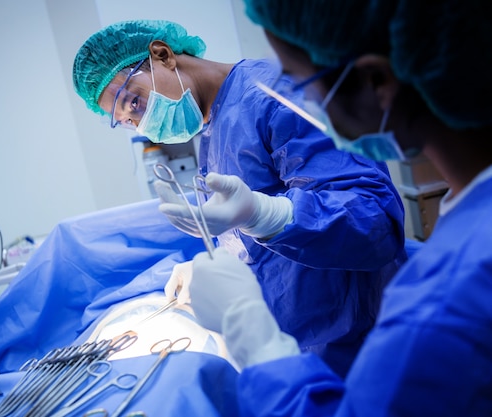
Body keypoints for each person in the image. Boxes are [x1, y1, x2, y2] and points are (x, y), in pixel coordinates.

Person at [187, 0, 492, 415]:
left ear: (375, 81)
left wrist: (252, 337)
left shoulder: (439, 310)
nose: (302, 103)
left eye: (299, 83)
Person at [72, 20, 408, 378]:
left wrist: (265, 214)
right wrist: (224, 267)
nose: (141, 125)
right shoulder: (214, 125)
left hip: (360, 345)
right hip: (301, 345)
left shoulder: (276, 93)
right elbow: (256, 241)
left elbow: (374, 223)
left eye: (134, 101)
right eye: (127, 122)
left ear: (162, 54)